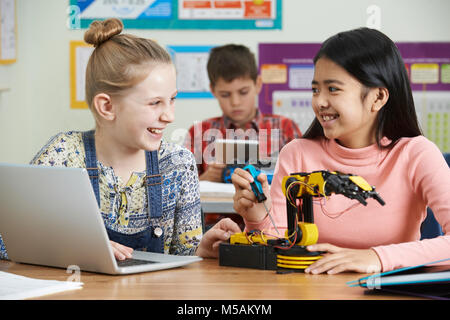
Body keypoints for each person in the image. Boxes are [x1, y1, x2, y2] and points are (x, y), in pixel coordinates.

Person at [0, 18, 240, 261]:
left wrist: (203, 250)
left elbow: (184, 253)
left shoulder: (178, 163)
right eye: (155, 102)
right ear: (107, 106)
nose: (169, 115)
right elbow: (6, 241)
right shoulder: (62, 156)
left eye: (172, 99)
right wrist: (76, 247)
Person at [231, 27, 450, 274]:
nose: (319, 101)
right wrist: (257, 216)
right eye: (315, 89)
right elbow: (283, 249)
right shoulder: (297, 154)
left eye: (333, 89)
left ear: (377, 97)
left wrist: (377, 257)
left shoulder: (417, 154)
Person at [184, 44, 302, 182]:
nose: (235, 102)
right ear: (213, 90)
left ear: (258, 84)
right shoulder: (198, 132)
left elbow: (302, 182)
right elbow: (182, 194)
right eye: (225, 94)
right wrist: (205, 179)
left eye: (243, 92)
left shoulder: (285, 128)